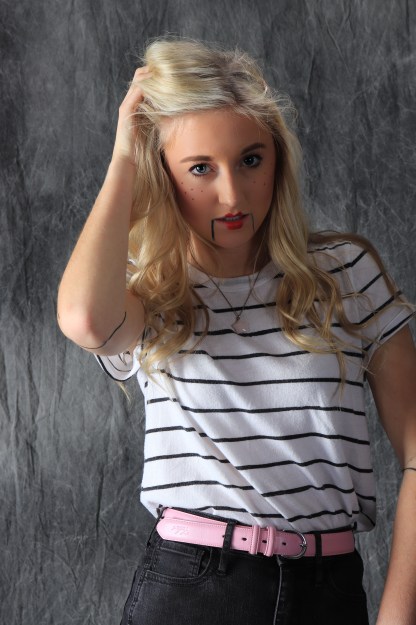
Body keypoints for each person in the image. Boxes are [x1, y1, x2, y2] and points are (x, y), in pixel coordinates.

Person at [57, 38, 416, 625]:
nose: (231, 194)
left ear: (277, 158)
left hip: (329, 589)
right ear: (163, 173)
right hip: (192, 588)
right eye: (200, 168)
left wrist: (400, 615)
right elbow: (84, 321)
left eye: (251, 160)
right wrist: (125, 155)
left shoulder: (347, 273)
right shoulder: (147, 290)